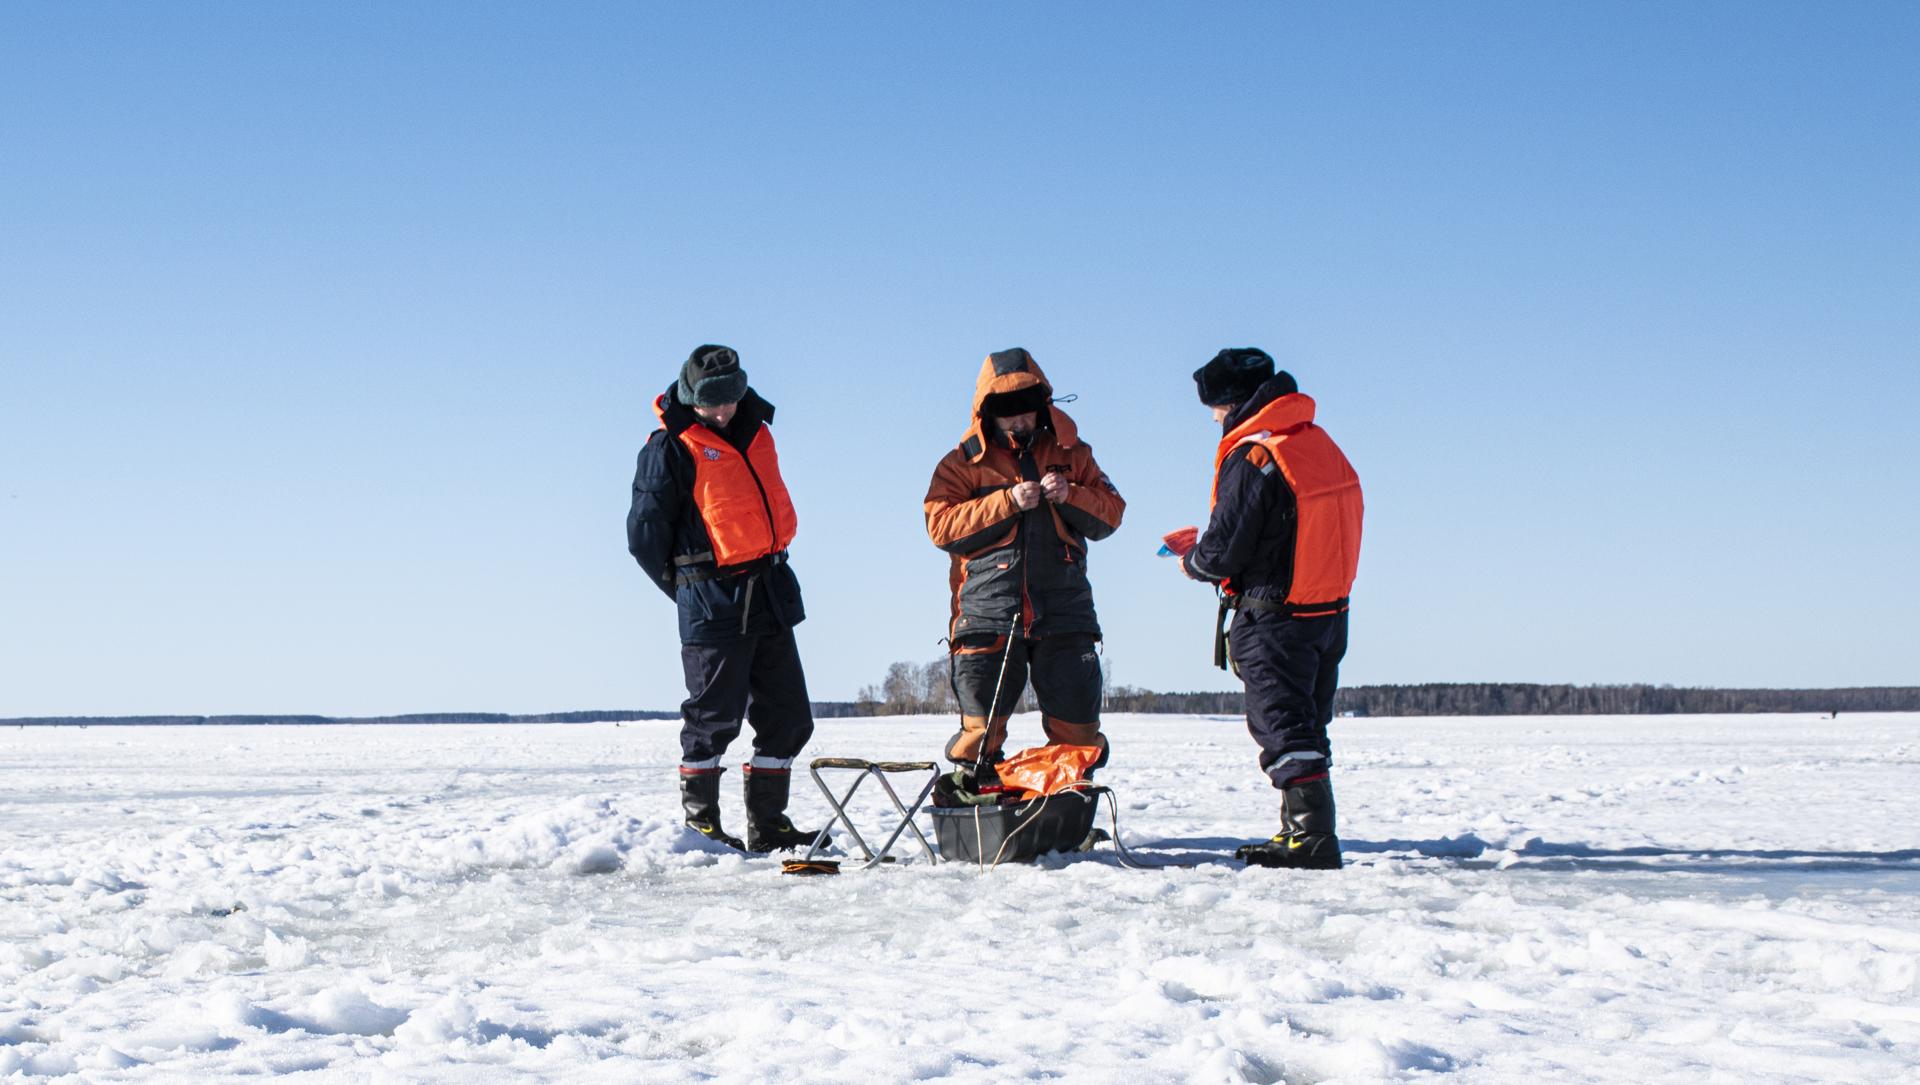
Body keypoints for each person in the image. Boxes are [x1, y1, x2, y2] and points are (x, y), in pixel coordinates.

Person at [626, 345, 819, 853]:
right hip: (710, 597)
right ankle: (701, 827)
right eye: (714, 403)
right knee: (714, 719)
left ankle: (769, 824)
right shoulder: (667, 448)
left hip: (770, 590)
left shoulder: (756, 430)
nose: (725, 410)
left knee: (790, 717)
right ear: (692, 399)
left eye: (731, 399)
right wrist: (689, 592)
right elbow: (644, 539)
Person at [1176, 348, 1363, 869]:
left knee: (1282, 724)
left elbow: (1225, 550)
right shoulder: (1316, 444)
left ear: (1233, 403)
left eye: (1214, 408)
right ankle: (1298, 830)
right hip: (1327, 611)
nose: (1214, 418)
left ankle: (1312, 839)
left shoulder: (1256, 453)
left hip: (1274, 615)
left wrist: (1192, 559)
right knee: (1306, 724)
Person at [923, 348, 1126, 787]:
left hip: (1065, 611)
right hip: (987, 612)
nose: (1019, 424)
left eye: (1026, 414)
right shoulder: (961, 463)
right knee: (981, 732)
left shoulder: (1075, 454)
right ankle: (978, 809)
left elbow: (1112, 513)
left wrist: (1071, 494)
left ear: (1041, 409)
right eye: (1008, 416)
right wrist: (1005, 503)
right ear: (988, 416)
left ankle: (1068, 813)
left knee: (1078, 731)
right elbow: (939, 526)